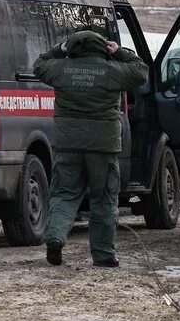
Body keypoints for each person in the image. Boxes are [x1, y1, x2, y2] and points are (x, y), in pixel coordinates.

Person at [36, 29, 148, 268]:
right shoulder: (112, 70)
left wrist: (60, 49)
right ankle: (104, 254)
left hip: (68, 143)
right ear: (102, 49)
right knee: (104, 197)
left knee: (65, 194)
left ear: (73, 48)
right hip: (103, 145)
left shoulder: (60, 70)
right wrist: (120, 53)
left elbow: (40, 64)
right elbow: (141, 71)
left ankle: (55, 237)